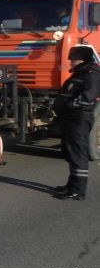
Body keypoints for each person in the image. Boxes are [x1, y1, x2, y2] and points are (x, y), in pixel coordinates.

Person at [52, 46, 100, 201]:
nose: (70, 62)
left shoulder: (91, 74)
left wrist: (71, 104)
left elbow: (89, 96)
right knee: (70, 151)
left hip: (79, 118)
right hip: (71, 119)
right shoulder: (81, 73)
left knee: (78, 154)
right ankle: (71, 185)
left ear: (81, 59)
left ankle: (78, 191)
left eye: (73, 59)